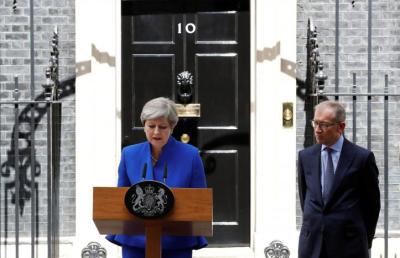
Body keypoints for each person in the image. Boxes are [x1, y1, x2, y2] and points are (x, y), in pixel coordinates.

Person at [106, 97, 208, 258]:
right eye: (151, 126)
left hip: (176, 241)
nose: (156, 132)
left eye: (162, 127)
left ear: (172, 127)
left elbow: (200, 202)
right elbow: (121, 198)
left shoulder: (191, 155)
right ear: (144, 126)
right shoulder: (129, 154)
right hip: (136, 240)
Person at [297, 100, 380, 258]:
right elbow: (305, 197)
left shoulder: (362, 158)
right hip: (312, 244)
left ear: (341, 127)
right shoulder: (305, 156)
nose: (317, 130)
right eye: (315, 123)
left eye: (324, 125)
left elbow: (372, 205)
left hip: (349, 245)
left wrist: (363, 239)